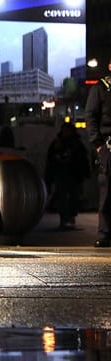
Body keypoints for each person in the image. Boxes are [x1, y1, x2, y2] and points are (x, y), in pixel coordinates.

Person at [45, 122, 90, 231]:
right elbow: (51, 161)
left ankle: (69, 218)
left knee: (75, 198)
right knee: (62, 198)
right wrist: (49, 178)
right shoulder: (57, 144)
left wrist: (85, 173)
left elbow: (82, 159)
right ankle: (64, 220)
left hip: (74, 174)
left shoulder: (76, 144)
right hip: (62, 174)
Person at [85, 78, 111, 246]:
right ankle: (105, 234)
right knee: (107, 191)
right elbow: (91, 115)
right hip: (108, 145)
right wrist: (98, 144)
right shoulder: (101, 87)